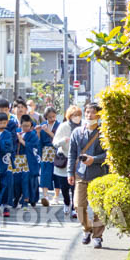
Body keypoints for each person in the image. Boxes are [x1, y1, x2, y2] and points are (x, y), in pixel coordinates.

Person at [68, 102, 108, 248]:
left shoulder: (104, 133)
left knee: (99, 207)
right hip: (80, 173)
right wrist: (69, 172)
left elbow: (108, 154)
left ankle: (98, 236)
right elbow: (72, 154)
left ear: (99, 115)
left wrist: (94, 159)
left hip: (99, 174)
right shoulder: (77, 132)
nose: (89, 115)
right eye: (87, 112)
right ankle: (87, 228)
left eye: (92, 112)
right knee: (78, 205)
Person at [53, 106, 82, 218]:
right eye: (74, 115)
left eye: (78, 115)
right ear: (69, 116)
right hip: (64, 160)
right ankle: (66, 202)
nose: (77, 117)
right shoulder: (63, 126)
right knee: (64, 186)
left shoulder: (83, 126)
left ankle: (75, 208)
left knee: (76, 186)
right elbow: (55, 142)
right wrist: (63, 140)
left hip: (78, 161)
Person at [0, 112, 16, 217]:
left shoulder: (8, 134)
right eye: (0, 122)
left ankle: (5, 206)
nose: (2, 124)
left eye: (4, 122)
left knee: (6, 184)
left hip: (5, 161)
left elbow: (8, 148)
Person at [14, 114, 41, 208]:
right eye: (24, 126)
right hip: (18, 160)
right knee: (17, 180)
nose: (26, 128)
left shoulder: (32, 134)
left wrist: (22, 141)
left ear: (31, 125)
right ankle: (17, 198)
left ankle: (29, 199)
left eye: (28, 126)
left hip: (28, 160)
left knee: (27, 181)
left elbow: (34, 147)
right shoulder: (17, 132)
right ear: (20, 124)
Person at [37, 107, 60, 206]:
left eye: (54, 116)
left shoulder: (59, 125)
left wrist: (48, 132)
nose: (52, 119)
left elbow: (58, 139)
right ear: (46, 116)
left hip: (57, 151)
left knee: (57, 174)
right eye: (50, 117)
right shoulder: (43, 125)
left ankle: (56, 196)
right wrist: (38, 132)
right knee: (45, 173)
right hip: (46, 152)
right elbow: (39, 141)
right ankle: (45, 195)